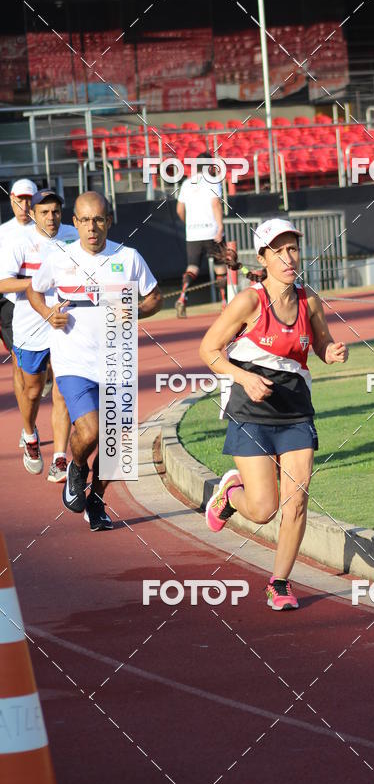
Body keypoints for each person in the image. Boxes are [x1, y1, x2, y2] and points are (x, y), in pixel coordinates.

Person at [199, 218, 348, 611]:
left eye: (293, 248)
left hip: (296, 412)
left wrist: (330, 352)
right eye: (278, 250)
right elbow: (209, 350)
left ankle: (279, 582)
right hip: (251, 412)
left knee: (296, 501)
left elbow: (321, 344)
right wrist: (243, 378)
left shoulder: (308, 300)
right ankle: (231, 494)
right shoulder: (248, 302)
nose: (288, 256)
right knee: (264, 509)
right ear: (263, 257)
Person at [28, 191, 162, 530]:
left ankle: (97, 501)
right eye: (85, 220)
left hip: (118, 359)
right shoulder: (59, 256)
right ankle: (76, 466)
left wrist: (135, 310)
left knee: (117, 442)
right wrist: (47, 312)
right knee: (90, 429)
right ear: (75, 223)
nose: (92, 228)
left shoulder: (128, 257)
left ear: (109, 221)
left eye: (99, 220)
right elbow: (34, 289)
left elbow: (155, 297)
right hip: (74, 361)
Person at [0, 189, 77, 479]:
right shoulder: (19, 243)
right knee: (32, 391)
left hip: (67, 325)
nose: (51, 217)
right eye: (44, 212)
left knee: (63, 391)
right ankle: (30, 434)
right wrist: (38, 282)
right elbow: (2, 283)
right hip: (30, 326)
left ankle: (59, 458)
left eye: (55, 211)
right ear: (33, 215)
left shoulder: (73, 234)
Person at [0, 179, 41, 419]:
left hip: (44, 302)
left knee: (45, 367)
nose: (24, 205)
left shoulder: (47, 228)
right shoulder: (3, 232)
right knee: (18, 361)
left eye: (28, 200)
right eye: (19, 199)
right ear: (11, 199)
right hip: (10, 303)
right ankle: (29, 427)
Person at [175, 152, 226, 317]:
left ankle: (183, 297)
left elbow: (179, 210)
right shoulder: (213, 181)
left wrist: (188, 224)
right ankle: (224, 302)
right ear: (210, 165)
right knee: (221, 266)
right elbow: (216, 204)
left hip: (193, 234)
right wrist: (220, 227)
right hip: (211, 232)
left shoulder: (187, 183)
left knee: (192, 268)